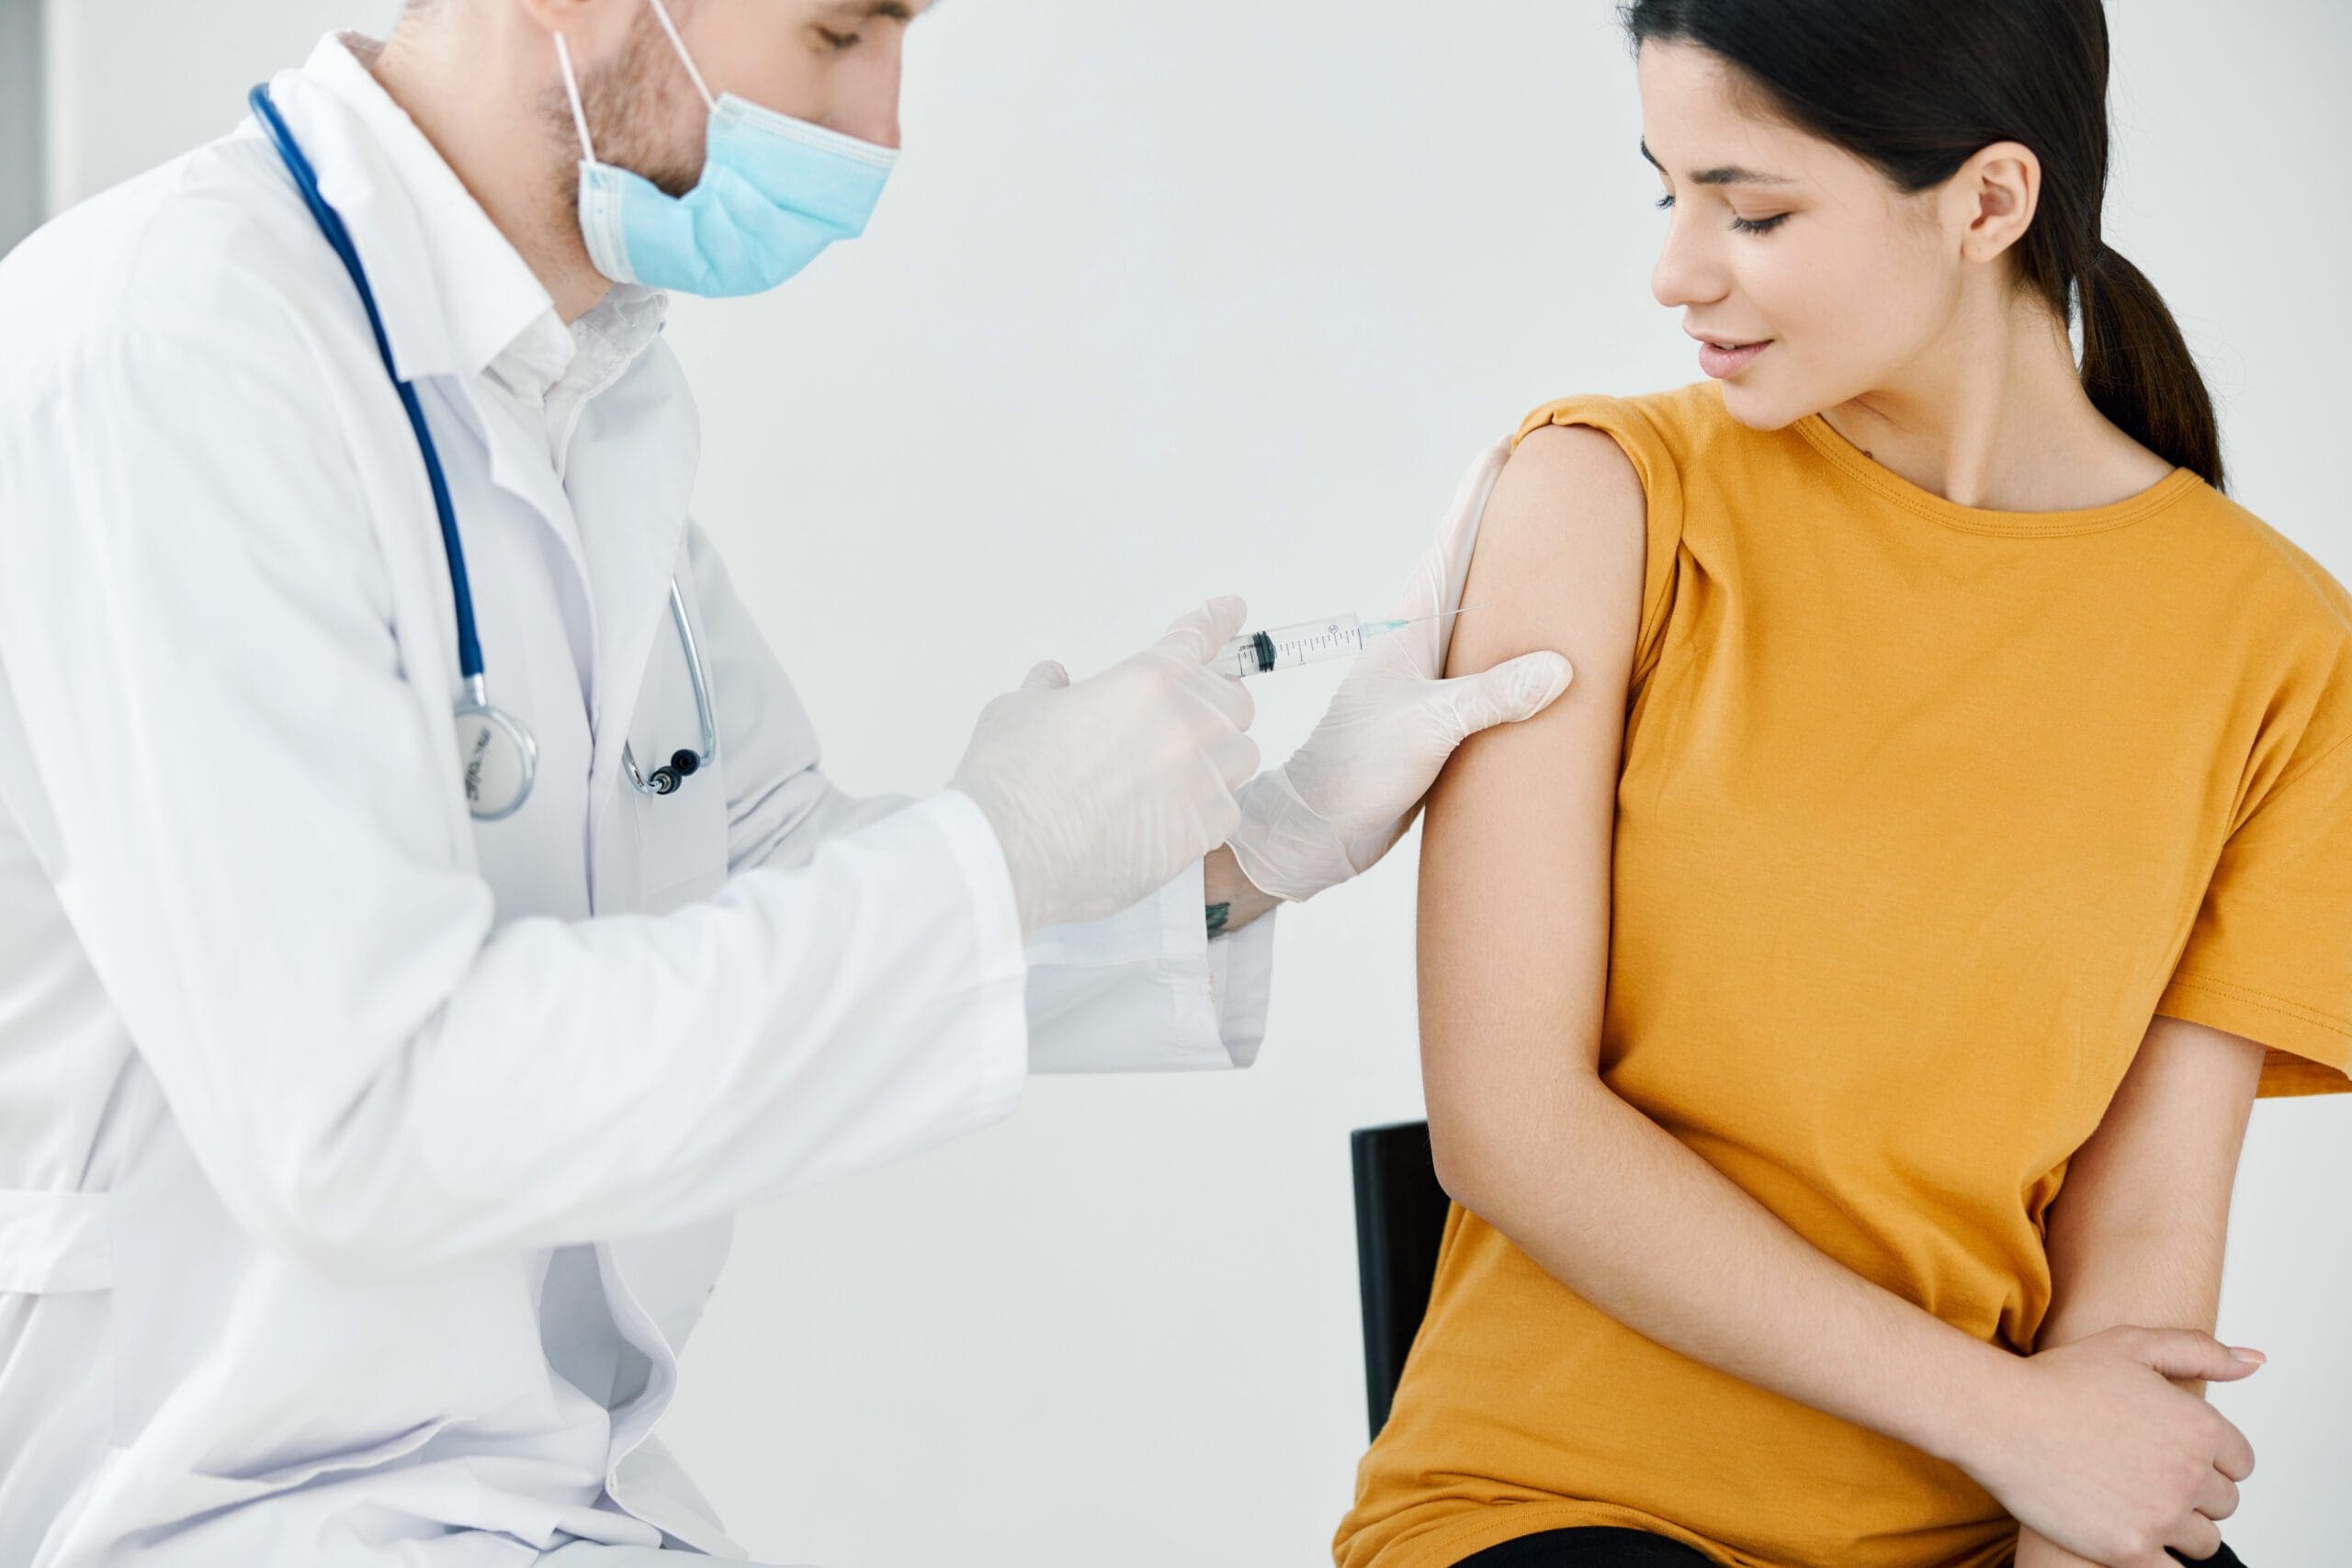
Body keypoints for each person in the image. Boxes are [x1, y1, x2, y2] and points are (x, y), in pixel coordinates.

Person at [0, 2, 1577, 1564]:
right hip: (234, 1507)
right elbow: (360, 1116)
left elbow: (763, 891)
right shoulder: (168, 348)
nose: (880, 130)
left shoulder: (589, 389)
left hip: (546, 1500)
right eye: (839, 36)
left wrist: (1256, 852)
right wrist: (1007, 847)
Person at [1337, 2, 2348, 1566]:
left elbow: (2142, 1246)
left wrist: (2065, 1505)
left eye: (1753, 210)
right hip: (1572, 1507)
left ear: (1988, 204)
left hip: (2009, 1512)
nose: (1678, 269)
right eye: (1666, 193)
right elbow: (1510, 1123)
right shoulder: (1600, 498)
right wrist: (2011, 1423)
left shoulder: (2275, 645)